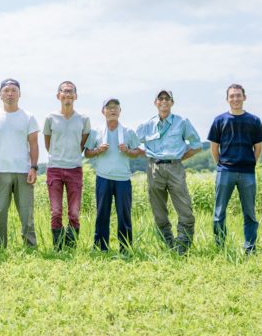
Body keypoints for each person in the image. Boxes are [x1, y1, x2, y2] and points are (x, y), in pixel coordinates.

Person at [136, 90, 202, 255]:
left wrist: (179, 158)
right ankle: (168, 245)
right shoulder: (146, 125)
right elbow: (133, 144)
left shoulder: (182, 122)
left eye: (167, 99)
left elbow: (196, 145)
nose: (164, 101)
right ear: (155, 102)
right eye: (161, 99)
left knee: (185, 209)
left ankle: (182, 248)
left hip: (175, 168)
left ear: (172, 102)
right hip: (154, 169)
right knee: (158, 211)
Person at [208, 84, 262, 253]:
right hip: (225, 171)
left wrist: (249, 163)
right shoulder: (219, 120)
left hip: (247, 172)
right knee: (219, 212)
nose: (235, 99)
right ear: (227, 99)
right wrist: (222, 164)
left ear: (244, 97)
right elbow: (214, 148)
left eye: (238, 95)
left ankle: (250, 247)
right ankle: (220, 247)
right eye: (232, 96)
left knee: (249, 212)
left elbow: (258, 148)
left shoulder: (254, 120)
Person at [0, 78, 39, 248]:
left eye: (14, 90)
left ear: (19, 94)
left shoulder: (28, 117)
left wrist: (34, 167)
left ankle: (30, 247)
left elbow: (34, 144)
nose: (10, 94)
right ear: (0, 94)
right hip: (0, 171)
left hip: (23, 172)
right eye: (6, 90)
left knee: (26, 213)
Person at [84, 98, 142, 252]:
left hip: (123, 178)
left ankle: (125, 248)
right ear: (103, 111)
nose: (112, 110)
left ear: (120, 111)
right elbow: (87, 152)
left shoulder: (128, 131)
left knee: (124, 215)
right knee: (102, 213)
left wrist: (128, 151)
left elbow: (138, 152)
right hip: (103, 177)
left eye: (116, 107)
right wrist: (98, 151)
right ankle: (100, 247)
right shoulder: (96, 131)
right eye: (109, 107)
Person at [43, 81, 91, 249]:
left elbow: (82, 144)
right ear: (58, 96)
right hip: (54, 168)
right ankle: (58, 248)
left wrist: (71, 155)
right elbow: (48, 144)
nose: (68, 94)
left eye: (71, 92)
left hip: (75, 169)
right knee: (56, 211)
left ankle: (70, 248)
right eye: (64, 91)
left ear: (76, 96)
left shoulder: (83, 119)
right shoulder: (50, 118)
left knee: (74, 212)